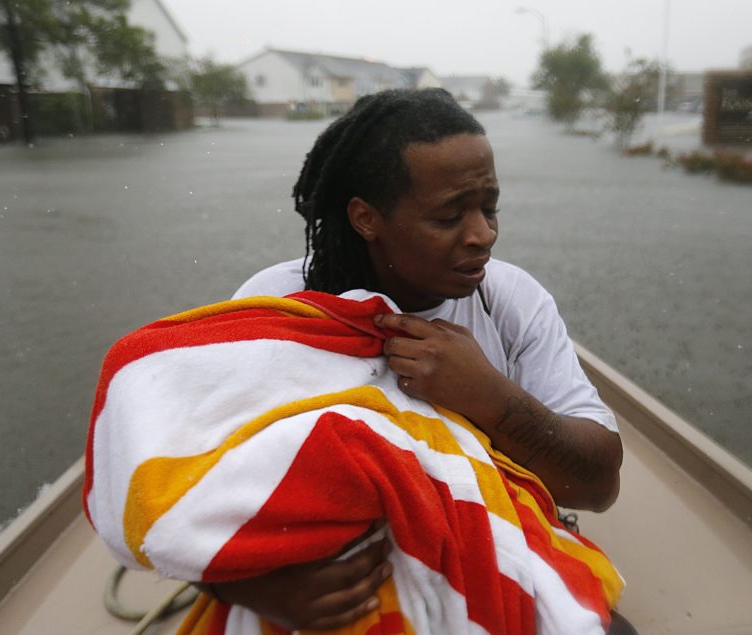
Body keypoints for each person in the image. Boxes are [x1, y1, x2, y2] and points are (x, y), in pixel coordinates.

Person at [212, 88, 627, 631]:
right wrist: (252, 587)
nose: (484, 235)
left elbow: (597, 486)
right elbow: (184, 484)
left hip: (489, 547)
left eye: (489, 205)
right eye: (450, 215)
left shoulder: (512, 302)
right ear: (366, 218)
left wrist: (490, 399)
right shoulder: (278, 308)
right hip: (342, 592)